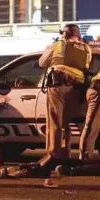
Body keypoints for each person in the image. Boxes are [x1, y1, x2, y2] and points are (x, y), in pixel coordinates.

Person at [36, 24, 92, 174]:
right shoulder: (87, 49)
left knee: (54, 123)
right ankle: (66, 154)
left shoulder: (57, 45)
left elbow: (41, 63)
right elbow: (85, 67)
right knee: (66, 124)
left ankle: (53, 156)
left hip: (58, 86)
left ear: (65, 34)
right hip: (75, 89)